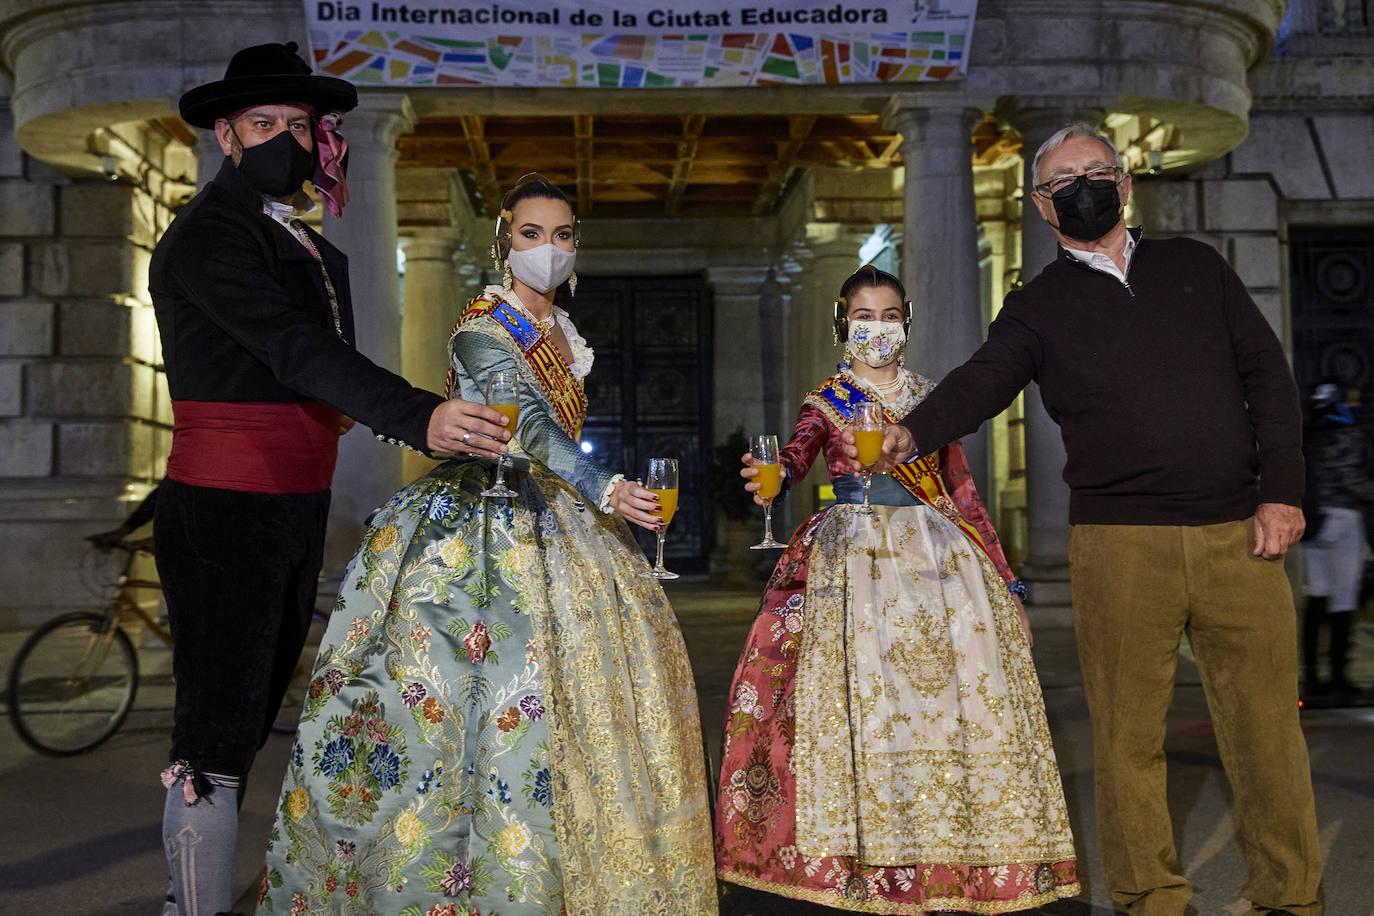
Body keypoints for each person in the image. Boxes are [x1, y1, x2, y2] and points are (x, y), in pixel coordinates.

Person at [849, 123, 1323, 916]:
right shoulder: (1037, 306)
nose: (1082, 187)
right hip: (1118, 544)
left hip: (1239, 533)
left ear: (1125, 182)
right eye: (1063, 179)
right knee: (1128, 740)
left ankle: (1291, 896)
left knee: (1268, 731)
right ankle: (1151, 899)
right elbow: (983, 380)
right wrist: (911, 432)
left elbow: (1269, 379)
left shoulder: (1196, 268)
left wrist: (1284, 490)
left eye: (1095, 171)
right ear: (1041, 204)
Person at [259, 175, 717, 916]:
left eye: (563, 235)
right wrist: (605, 489)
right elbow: (527, 425)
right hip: (480, 524)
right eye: (531, 234)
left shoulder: (566, 336)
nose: (548, 249)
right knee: (469, 707)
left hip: (562, 525)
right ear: (504, 242)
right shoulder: (483, 326)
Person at [149, 42, 511, 916]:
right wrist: (418, 414)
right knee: (218, 729)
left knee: (252, 711)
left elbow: (322, 364)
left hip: (291, 501)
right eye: (265, 124)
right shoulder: (210, 236)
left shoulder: (299, 239)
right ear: (228, 136)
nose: (285, 139)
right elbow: (296, 350)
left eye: (301, 126)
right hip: (225, 503)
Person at [714, 265, 1079, 913]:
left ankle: (949, 844)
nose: (876, 329)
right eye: (864, 318)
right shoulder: (827, 398)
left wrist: (1003, 575)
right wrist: (772, 476)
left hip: (939, 563)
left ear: (905, 323)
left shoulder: (932, 397)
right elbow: (797, 455)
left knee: (945, 707)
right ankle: (864, 853)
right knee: (866, 707)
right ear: (842, 325)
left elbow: (962, 491)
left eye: (888, 317)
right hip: (854, 556)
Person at [1301, 381, 1374, 698]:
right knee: (1343, 599)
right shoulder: (1349, 434)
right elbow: (1352, 480)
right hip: (1343, 521)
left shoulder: (1306, 435)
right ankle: (1339, 678)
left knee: (1317, 597)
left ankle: (1314, 679)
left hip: (1313, 525)